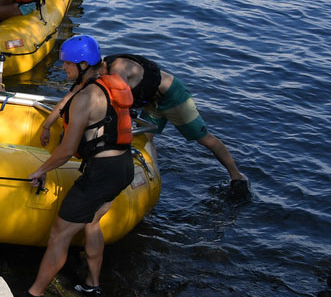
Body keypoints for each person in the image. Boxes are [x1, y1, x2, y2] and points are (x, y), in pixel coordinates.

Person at [18, 35, 135, 297]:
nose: (64, 69)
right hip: (123, 167)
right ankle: (93, 285)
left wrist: (41, 170)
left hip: (102, 173)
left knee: (60, 233)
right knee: (91, 222)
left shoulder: (86, 97)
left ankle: (33, 296)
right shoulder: (105, 86)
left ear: (82, 64)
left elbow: (68, 148)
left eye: (67, 64)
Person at [103, 53, 249, 198]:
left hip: (173, 96)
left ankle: (237, 176)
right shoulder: (104, 71)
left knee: (204, 138)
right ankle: (152, 177)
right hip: (152, 101)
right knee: (145, 138)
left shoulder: (117, 69)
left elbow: (120, 103)